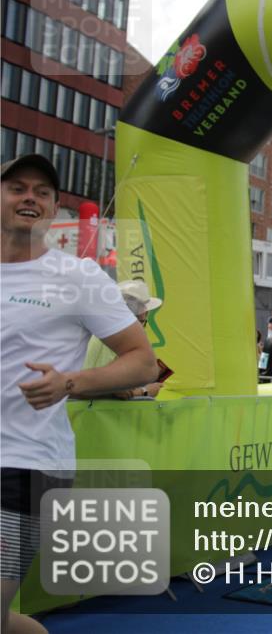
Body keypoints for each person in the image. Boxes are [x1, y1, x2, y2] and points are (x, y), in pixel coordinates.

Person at [1, 154, 158, 634]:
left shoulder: (78, 277)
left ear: (53, 209)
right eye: (17, 187)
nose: (31, 197)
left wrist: (68, 384)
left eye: (43, 192)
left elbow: (142, 360)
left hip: (26, 464)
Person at [81, 279, 165, 399]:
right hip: (94, 414)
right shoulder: (110, 337)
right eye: (143, 311)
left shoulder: (105, 332)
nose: (145, 315)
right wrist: (145, 391)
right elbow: (101, 387)